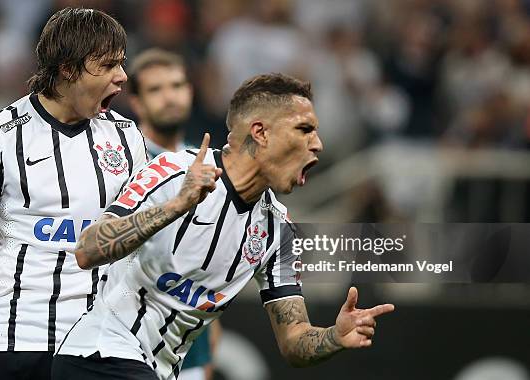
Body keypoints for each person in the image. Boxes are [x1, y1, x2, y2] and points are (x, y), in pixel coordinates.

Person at [52, 73, 395, 380]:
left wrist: (335, 335)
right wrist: (176, 206)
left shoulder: (278, 233)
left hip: (155, 370)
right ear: (260, 132)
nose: (317, 143)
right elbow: (88, 249)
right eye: (304, 129)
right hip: (98, 355)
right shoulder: (175, 171)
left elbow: (293, 341)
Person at [0, 7, 147, 379]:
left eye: (121, 64)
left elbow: (138, 242)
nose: (122, 77)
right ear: (68, 69)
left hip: (104, 339)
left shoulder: (125, 137)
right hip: (17, 338)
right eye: (107, 66)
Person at [127, 48, 219, 380]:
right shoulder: (120, 160)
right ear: (136, 101)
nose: (170, 97)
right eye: (155, 89)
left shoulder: (208, 164)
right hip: (126, 340)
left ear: (190, 92)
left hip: (189, 352)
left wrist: (208, 352)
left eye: (177, 85)